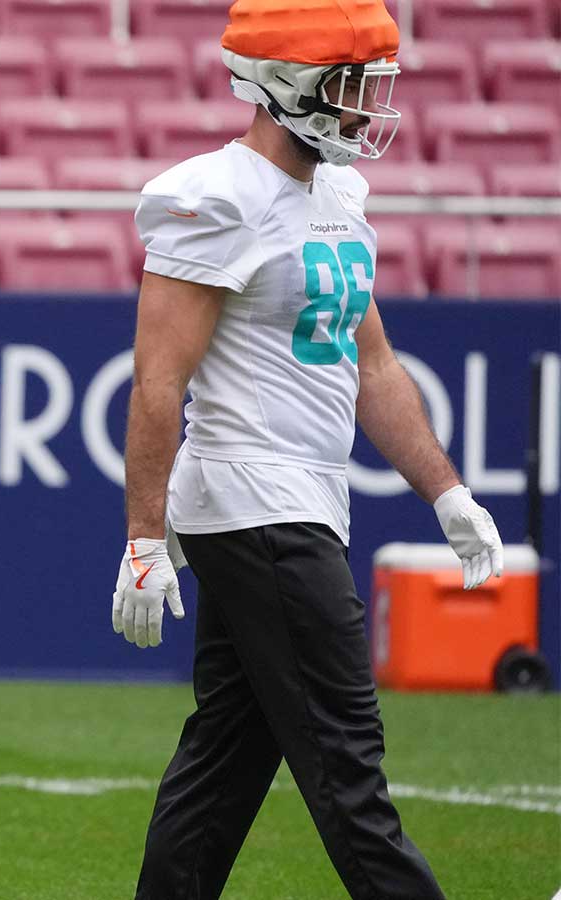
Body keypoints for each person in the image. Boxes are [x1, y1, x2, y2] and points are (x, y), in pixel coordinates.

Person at [111, 0, 505, 897]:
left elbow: (372, 364)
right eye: (349, 85)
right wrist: (141, 538)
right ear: (286, 85)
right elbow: (158, 382)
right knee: (346, 760)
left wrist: (445, 492)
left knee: (225, 763)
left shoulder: (335, 195)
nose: (365, 109)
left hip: (303, 502)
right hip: (258, 506)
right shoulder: (214, 196)